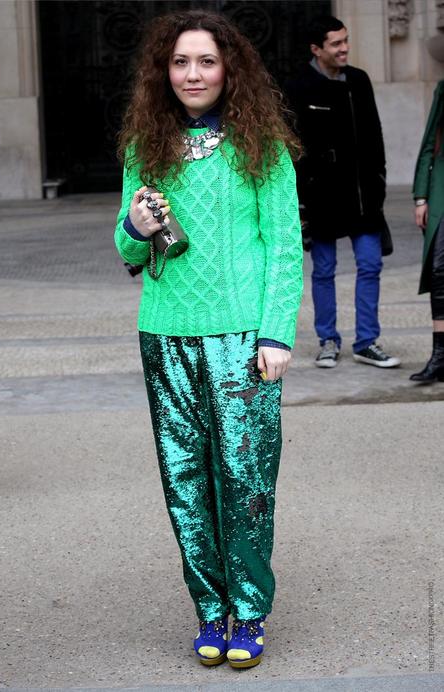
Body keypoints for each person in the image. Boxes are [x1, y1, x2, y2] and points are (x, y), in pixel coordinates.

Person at [114, 10, 303, 669]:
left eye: (206, 61)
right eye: (179, 62)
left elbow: (285, 247)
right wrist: (136, 224)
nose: (192, 74)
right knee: (185, 481)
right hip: (164, 335)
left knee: (244, 479)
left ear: (230, 70)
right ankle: (211, 609)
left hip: (243, 339)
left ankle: (248, 610)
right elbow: (125, 246)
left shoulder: (263, 145)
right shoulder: (147, 143)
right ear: (163, 72)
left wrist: (278, 332)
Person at [285, 15, 400, 369]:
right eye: (336, 43)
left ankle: (367, 341)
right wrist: (301, 199)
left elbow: (375, 134)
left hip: (364, 195)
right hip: (321, 197)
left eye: (345, 40)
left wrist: (379, 179)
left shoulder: (360, 80)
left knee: (370, 264)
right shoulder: (299, 85)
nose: (344, 48)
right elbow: (293, 147)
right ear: (316, 49)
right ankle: (328, 340)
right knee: (324, 270)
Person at [411, 80, 444, 383]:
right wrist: (421, 196)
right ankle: (440, 356)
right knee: (439, 269)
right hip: (441, 194)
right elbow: (427, 147)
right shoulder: (443, 88)